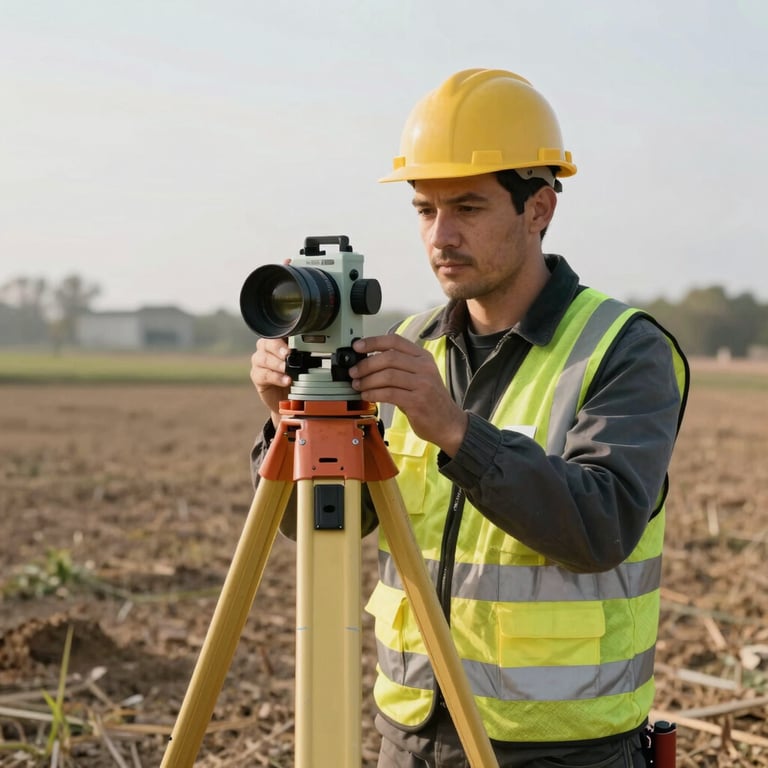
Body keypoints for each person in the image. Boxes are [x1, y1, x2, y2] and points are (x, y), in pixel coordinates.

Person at [249, 68, 689, 768]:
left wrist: (454, 429)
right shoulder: (412, 342)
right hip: (411, 735)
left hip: (556, 749)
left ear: (539, 208)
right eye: (424, 209)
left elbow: (602, 526)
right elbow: (338, 522)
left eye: (469, 208)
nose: (440, 235)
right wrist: (292, 425)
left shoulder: (622, 348)